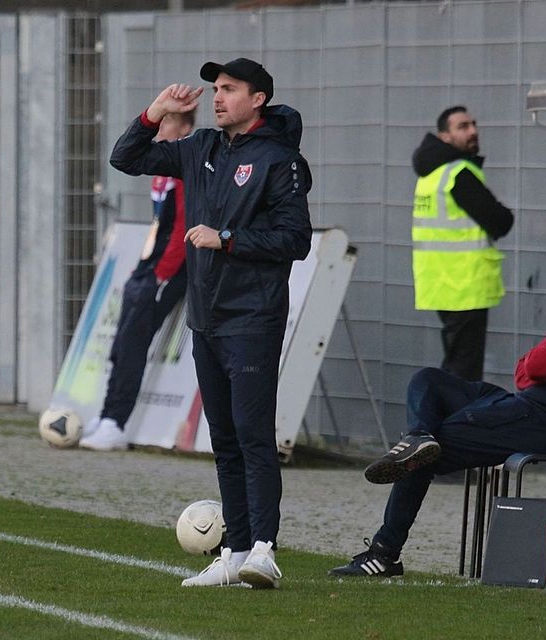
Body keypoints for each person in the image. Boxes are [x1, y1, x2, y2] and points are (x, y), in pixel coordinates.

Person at [329, 216, 546, 577]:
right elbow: (528, 370)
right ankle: (418, 437)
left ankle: (384, 552)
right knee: (428, 381)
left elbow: (537, 365)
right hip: (530, 408)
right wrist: (537, 369)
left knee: (429, 449)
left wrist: (538, 369)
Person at [110, 57, 312, 589]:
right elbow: (125, 157)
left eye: (229, 88)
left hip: (253, 317)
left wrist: (227, 239)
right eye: (215, 88)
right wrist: (156, 112)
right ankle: (234, 550)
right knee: (222, 438)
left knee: (252, 436)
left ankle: (264, 550)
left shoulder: (279, 160)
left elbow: (296, 240)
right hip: (206, 318)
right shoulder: (199, 147)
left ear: (258, 99)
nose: (218, 97)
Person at [81, 110, 196, 451]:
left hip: (168, 272)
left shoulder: (185, 172)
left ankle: (117, 423)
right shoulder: (160, 173)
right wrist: (144, 266)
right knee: (120, 345)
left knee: (133, 344)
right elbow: (160, 227)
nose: (160, 130)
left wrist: (162, 273)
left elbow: (182, 228)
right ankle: (106, 414)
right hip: (148, 268)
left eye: (168, 123)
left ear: (185, 128)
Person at [411, 106, 513, 382]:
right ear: (444, 136)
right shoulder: (458, 173)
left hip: (442, 282)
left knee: (456, 365)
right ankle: (455, 411)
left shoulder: (430, 174)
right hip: (465, 282)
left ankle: (449, 408)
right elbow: (500, 220)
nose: (473, 131)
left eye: (473, 124)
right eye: (463, 127)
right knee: (464, 372)